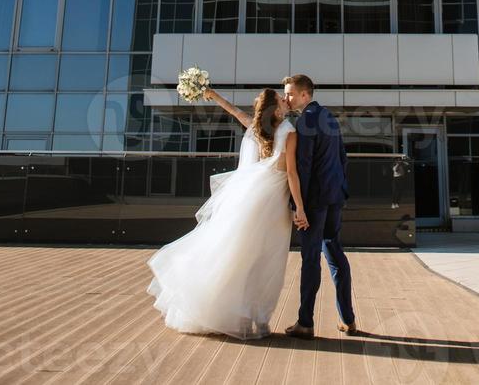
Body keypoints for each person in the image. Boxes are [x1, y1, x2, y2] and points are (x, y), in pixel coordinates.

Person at [145, 86, 305, 339]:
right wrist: (300, 209)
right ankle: (259, 319)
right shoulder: (289, 131)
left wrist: (213, 95)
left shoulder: (255, 128)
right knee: (267, 261)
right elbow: (291, 174)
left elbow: (234, 112)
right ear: (276, 108)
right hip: (272, 202)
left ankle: (242, 318)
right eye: (282, 99)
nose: (286, 101)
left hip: (247, 199)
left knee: (240, 256)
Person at [282, 73, 357, 339]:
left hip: (314, 202)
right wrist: (340, 189)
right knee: (335, 253)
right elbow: (342, 157)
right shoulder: (329, 117)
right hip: (335, 196)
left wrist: (297, 205)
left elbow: (302, 167)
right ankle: (348, 319)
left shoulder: (305, 121)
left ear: (305, 94)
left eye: (290, 93)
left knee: (310, 258)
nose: (286, 98)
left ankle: (305, 323)